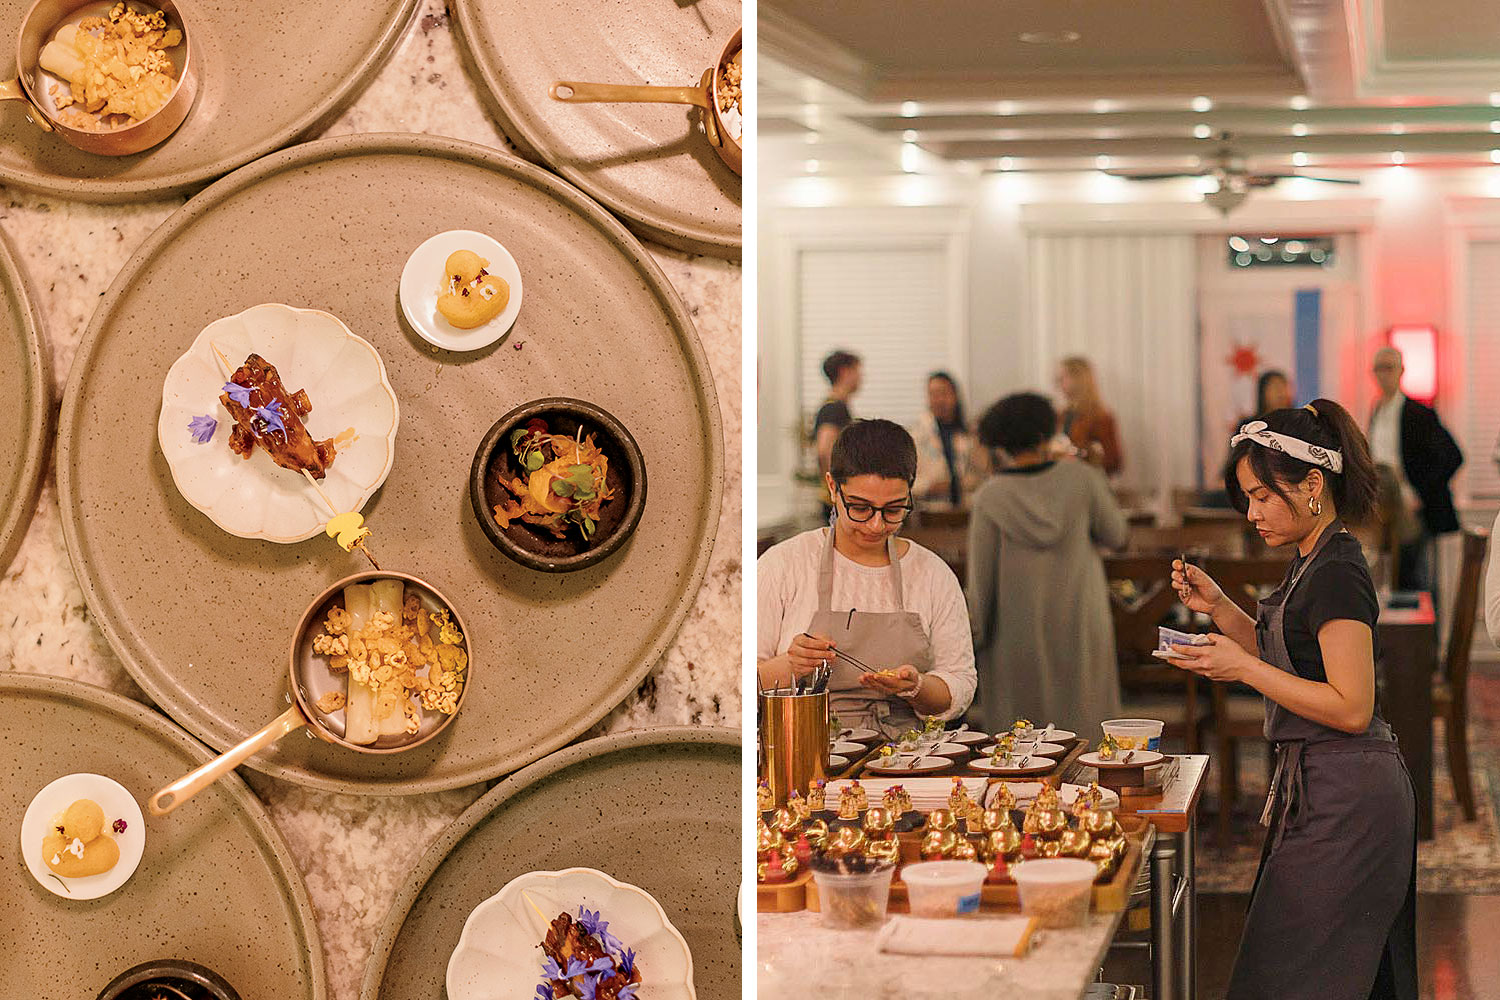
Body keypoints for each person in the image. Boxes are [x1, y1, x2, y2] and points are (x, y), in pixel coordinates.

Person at [1168, 400, 1416, 1000]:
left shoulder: (1337, 572)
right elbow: (1296, 656)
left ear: (1312, 484)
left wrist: (1245, 669)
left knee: (1292, 976)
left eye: (1260, 496)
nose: (1251, 513)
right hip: (1323, 787)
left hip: (1349, 797)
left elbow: (1352, 705)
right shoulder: (1312, 559)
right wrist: (1222, 610)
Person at [758, 419, 977, 738]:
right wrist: (791, 663)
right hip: (801, 749)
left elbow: (960, 682)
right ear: (832, 488)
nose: (876, 525)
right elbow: (737, 683)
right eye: (860, 508)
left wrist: (916, 686)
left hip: (906, 756)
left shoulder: (931, 574)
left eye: (893, 510)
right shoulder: (784, 565)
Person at [967, 392, 1128, 735]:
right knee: (1089, 734)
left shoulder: (989, 497)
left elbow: (981, 589)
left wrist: (972, 642)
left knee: (1022, 745)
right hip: (1081, 623)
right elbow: (1117, 535)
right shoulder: (1083, 479)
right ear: (1045, 433)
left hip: (1015, 637)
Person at [1368, 346, 1463, 593]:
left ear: (1401, 371)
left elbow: (1453, 457)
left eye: (1389, 367)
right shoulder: (1377, 410)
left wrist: (1421, 492)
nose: (1383, 374)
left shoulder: (1418, 413)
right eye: (1378, 368)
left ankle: (1425, 630)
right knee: (1391, 576)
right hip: (1386, 509)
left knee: (1418, 578)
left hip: (1414, 509)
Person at [911, 371, 988, 505]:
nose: (939, 400)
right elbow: (906, 483)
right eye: (933, 394)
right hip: (931, 512)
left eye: (944, 393)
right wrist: (930, 487)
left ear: (955, 395)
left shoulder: (971, 434)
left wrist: (961, 484)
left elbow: (982, 475)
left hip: (965, 510)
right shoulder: (916, 434)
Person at [1056, 356, 1123, 475]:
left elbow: (1113, 462)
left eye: (1064, 377)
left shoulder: (1100, 417)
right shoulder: (1061, 414)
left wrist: (1084, 454)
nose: (1058, 381)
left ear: (1079, 379)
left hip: (1088, 482)